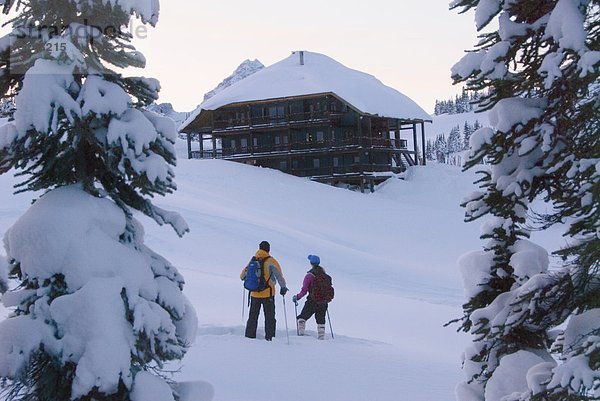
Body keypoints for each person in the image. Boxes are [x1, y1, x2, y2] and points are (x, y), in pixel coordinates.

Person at [240, 241, 288, 341]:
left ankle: (249, 336)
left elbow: (242, 276)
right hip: (268, 294)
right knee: (269, 317)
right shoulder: (271, 261)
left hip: (254, 294)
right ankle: (270, 338)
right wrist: (283, 288)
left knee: (253, 316)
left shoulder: (253, 260)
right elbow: (279, 276)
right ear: (268, 249)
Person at [292, 254, 331, 340]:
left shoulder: (309, 276)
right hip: (323, 302)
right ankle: (321, 337)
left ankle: (301, 335)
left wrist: (297, 297)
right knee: (321, 320)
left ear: (311, 263)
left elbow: (304, 290)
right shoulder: (325, 275)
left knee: (302, 317)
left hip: (312, 301)